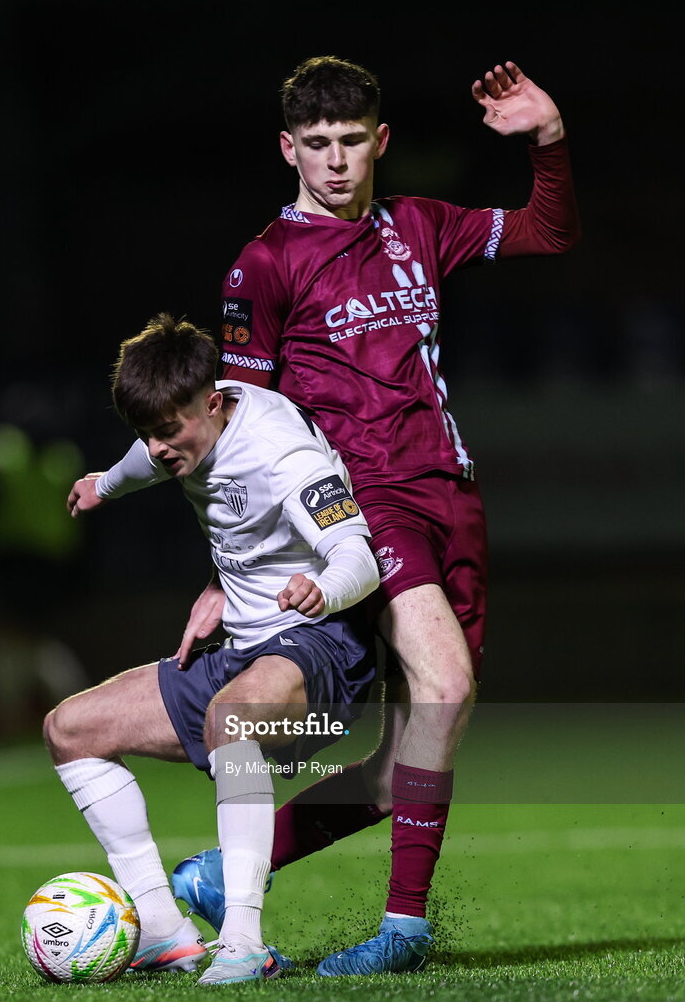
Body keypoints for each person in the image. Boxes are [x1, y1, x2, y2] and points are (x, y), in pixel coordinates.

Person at [100, 58, 581, 975]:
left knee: (407, 750)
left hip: (453, 497)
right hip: (363, 505)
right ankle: (404, 928)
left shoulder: (420, 226)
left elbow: (550, 233)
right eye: (315, 145)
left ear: (379, 141)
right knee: (445, 687)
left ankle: (219, 873)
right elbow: (230, 431)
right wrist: (224, 570)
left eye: (350, 141)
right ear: (288, 149)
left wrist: (547, 140)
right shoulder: (265, 265)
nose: (333, 162)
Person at [49, 312, 383, 984]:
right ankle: (163, 930)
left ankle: (243, 939)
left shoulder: (280, 450)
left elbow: (360, 556)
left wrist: (322, 587)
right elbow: (148, 455)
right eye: (147, 431)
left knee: (232, 721)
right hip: (248, 650)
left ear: (215, 401)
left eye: (170, 429)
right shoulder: (182, 426)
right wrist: (105, 483)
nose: (160, 446)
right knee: (70, 728)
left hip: (324, 650)